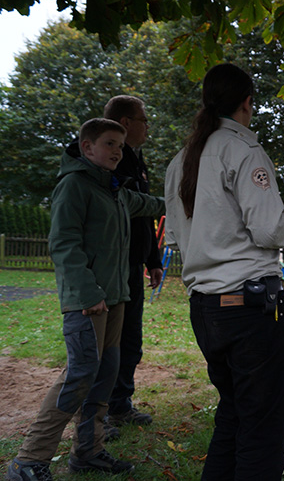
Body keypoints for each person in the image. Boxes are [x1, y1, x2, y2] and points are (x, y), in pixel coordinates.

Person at [164, 63, 284, 481]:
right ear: (247, 102)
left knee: (232, 415)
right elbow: (268, 231)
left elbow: (175, 238)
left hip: (207, 310)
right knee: (263, 431)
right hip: (250, 311)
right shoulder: (243, 151)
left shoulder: (180, 161)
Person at [6, 118, 165, 481]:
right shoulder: (74, 186)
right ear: (87, 146)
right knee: (79, 374)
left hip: (115, 299)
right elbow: (64, 245)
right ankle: (28, 460)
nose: (117, 152)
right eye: (109, 143)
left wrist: (189, 198)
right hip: (88, 302)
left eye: (120, 146)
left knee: (105, 374)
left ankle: (88, 451)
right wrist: (88, 293)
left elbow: (152, 204)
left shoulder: (114, 190)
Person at [103, 96, 162, 435]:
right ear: (126, 122)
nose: (147, 126)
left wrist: (153, 260)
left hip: (133, 266)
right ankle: (96, 413)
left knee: (130, 339)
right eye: (143, 119)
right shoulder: (107, 161)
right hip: (110, 267)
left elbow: (144, 216)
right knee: (105, 343)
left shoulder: (136, 160)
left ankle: (120, 404)